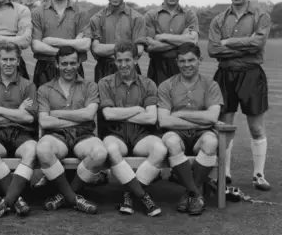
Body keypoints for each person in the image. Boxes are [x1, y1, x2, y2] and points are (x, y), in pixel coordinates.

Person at [208, 0, 271, 191]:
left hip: (252, 74)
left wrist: (230, 43)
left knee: (255, 127)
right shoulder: (219, 18)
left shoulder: (261, 15)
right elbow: (213, 49)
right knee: (225, 127)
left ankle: (259, 175)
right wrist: (242, 46)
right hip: (225, 75)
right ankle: (224, 173)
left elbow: (258, 43)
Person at [98, 41, 166, 217]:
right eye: (119, 60)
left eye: (127, 60)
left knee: (160, 149)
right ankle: (142, 196)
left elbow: (151, 117)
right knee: (110, 149)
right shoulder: (105, 83)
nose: (123, 65)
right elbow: (108, 115)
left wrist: (119, 112)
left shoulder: (148, 83)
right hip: (115, 133)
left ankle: (129, 193)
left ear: (136, 59)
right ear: (114, 60)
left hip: (141, 134)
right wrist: (137, 109)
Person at [35, 47, 103, 215]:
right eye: (64, 63)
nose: (69, 67)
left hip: (83, 134)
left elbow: (89, 115)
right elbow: (44, 120)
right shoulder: (45, 89)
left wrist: (56, 114)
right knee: (43, 149)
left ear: (79, 63)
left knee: (100, 152)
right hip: (57, 135)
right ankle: (73, 198)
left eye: (73, 63)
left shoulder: (90, 86)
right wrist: (76, 117)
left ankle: (64, 195)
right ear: (57, 65)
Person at [158, 43, 223, 216]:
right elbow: (164, 120)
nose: (187, 65)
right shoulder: (167, 85)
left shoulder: (210, 84)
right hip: (176, 134)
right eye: (182, 61)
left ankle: (190, 193)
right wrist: (199, 121)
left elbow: (212, 118)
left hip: (201, 136)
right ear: (177, 63)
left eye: (191, 60)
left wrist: (179, 113)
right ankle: (196, 193)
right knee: (171, 141)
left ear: (199, 60)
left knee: (211, 142)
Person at [0, 43, 37, 218]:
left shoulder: (28, 86)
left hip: (22, 133)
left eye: (12, 59)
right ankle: (16, 200)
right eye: (5, 59)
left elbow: (29, 118)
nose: (8, 63)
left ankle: (7, 202)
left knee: (32, 150)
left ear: (18, 61)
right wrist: (18, 111)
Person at [31, 0, 90, 87]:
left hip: (73, 67)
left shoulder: (81, 13)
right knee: (44, 105)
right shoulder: (38, 12)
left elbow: (85, 45)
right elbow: (36, 45)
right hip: (45, 69)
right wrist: (72, 47)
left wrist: (50, 41)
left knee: (75, 104)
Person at [88, 0, 146, 82]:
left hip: (130, 69)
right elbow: (96, 49)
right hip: (104, 69)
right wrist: (128, 47)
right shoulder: (96, 19)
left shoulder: (138, 18)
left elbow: (139, 49)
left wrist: (107, 48)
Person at [144, 0, 199, 86]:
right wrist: (182, 41)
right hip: (157, 68)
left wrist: (162, 36)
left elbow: (193, 41)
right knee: (159, 102)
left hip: (184, 67)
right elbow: (149, 46)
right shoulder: (150, 16)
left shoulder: (189, 15)